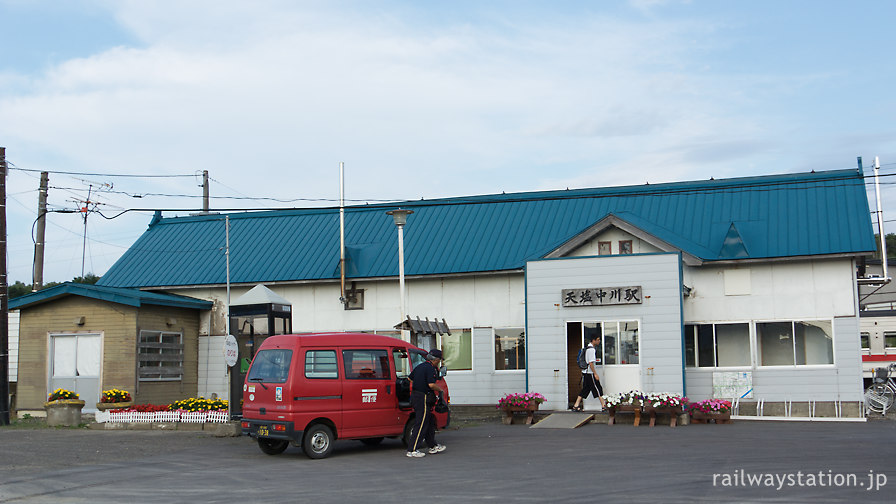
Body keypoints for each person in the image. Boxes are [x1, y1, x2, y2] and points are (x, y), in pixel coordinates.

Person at [406, 349, 446, 458]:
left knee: (428, 421)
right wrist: (440, 390)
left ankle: (432, 446)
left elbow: (410, 378)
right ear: (436, 360)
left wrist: (419, 384)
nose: (439, 362)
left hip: (415, 395)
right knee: (421, 422)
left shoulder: (420, 366)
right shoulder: (431, 369)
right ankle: (412, 449)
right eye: (439, 360)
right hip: (422, 397)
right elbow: (431, 385)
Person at [571, 334, 606, 412]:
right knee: (598, 388)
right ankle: (604, 406)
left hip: (585, 372)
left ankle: (576, 405)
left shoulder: (588, 348)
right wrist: (595, 374)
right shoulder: (591, 350)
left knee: (586, 389)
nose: (599, 341)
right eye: (598, 339)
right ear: (593, 340)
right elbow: (590, 363)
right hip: (590, 373)